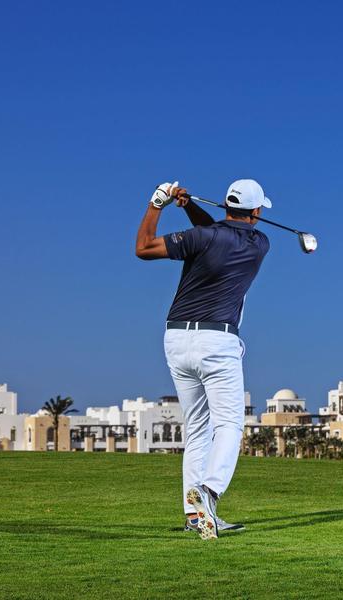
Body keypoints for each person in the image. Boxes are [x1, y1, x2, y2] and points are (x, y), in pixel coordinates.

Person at [135, 179, 271, 540]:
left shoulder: (203, 238)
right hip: (217, 341)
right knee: (228, 425)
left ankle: (196, 516)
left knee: (197, 428)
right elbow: (216, 232)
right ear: (256, 212)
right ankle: (208, 492)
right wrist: (189, 207)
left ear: (226, 206)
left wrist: (158, 204)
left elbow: (144, 247)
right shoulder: (260, 243)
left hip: (176, 338)